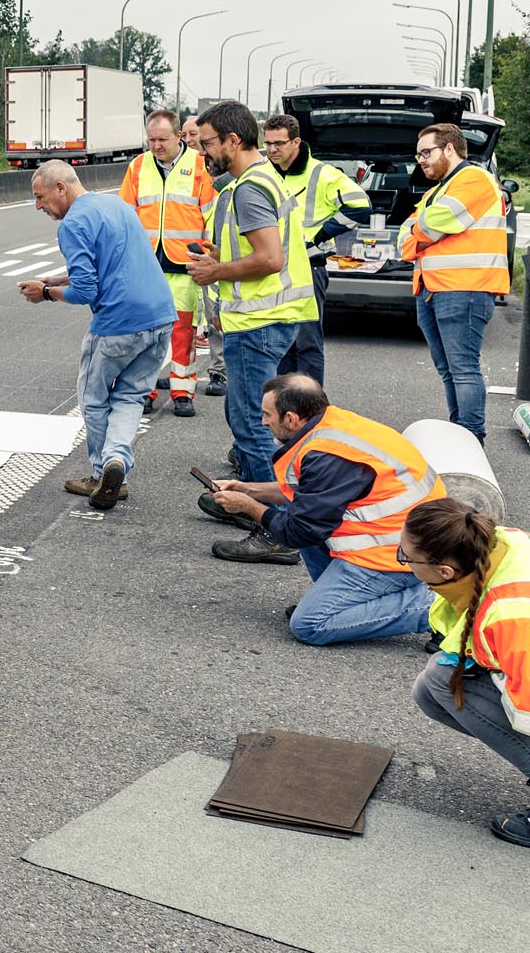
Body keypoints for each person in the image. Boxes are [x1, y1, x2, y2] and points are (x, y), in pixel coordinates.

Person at [204, 376, 443, 635]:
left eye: (267, 415)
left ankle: (436, 607)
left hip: (399, 556)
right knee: (305, 519)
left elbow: (299, 530)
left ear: (291, 419)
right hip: (407, 541)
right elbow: (309, 496)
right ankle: (349, 602)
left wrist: (249, 507)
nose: (263, 422)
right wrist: (246, 488)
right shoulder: (332, 425)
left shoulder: (326, 456)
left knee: (310, 624)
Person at [17, 160, 172, 510]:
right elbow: (112, 267)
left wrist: (45, 294)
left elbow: (86, 290)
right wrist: (54, 281)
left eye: (40, 197)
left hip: (118, 325)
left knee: (93, 399)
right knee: (131, 397)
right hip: (160, 318)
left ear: (61, 188)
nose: (39, 206)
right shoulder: (117, 205)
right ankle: (116, 461)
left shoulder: (72, 224)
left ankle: (103, 473)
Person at [187, 102, 316, 494]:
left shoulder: (249, 188)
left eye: (206, 143)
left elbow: (270, 258)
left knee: (252, 421)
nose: (201, 152)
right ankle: (249, 494)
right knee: (244, 414)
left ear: (232, 139)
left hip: (259, 321)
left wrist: (216, 271)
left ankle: (267, 519)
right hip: (267, 316)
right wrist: (220, 256)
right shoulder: (265, 177)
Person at [402, 498, 530, 848]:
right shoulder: (496, 542)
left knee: (445, 682)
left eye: (406, 557)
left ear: (445, 571)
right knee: (432, 689)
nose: (403, 563)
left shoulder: (512, 618)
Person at [400, 122, 510, 442]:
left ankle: (471, 438)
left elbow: (434, 224)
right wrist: (419, 233)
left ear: (449, 149)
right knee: (449, 370)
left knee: (463, 369)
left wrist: (420, 232)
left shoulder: (474, 178)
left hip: (466, 288)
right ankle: (458, 435)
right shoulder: (437, 190)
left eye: (426, 152)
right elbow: (405, 241)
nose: (421, 160)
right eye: (417, 154)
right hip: (432, 288)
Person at [118, 111, 218, 418]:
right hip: (146, 264)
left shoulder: (200, 167)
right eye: (152, 140)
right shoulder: (137, 167)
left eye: (163, 139)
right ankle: (144, 390)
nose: (157, 146)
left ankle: (182, 391)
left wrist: (209, 255)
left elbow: (211, 214)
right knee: (144, 332)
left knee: (182, 331)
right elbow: (124, 214)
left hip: (184, 262)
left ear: (179, 136)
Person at [262, 114, 371, 386]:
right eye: (268, 144)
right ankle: (284, 406)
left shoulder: (322, 173)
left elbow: (360, 206)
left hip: (309, 268)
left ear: (296, 141)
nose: (272, 149)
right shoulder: (264, 173)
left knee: (307, 343)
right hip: (273, 268)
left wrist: (320, 235)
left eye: (279, 143)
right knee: (280, 342)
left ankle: (310, 409)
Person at [184, 116, 229, 398]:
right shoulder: (180, 170)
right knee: (187, 319)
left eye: (197, 137)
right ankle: (184, 372)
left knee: (215, 317)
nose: (191, 141)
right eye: (187, 135)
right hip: (186, 257)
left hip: (213, 254)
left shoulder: (214, 171)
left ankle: (219, 372)